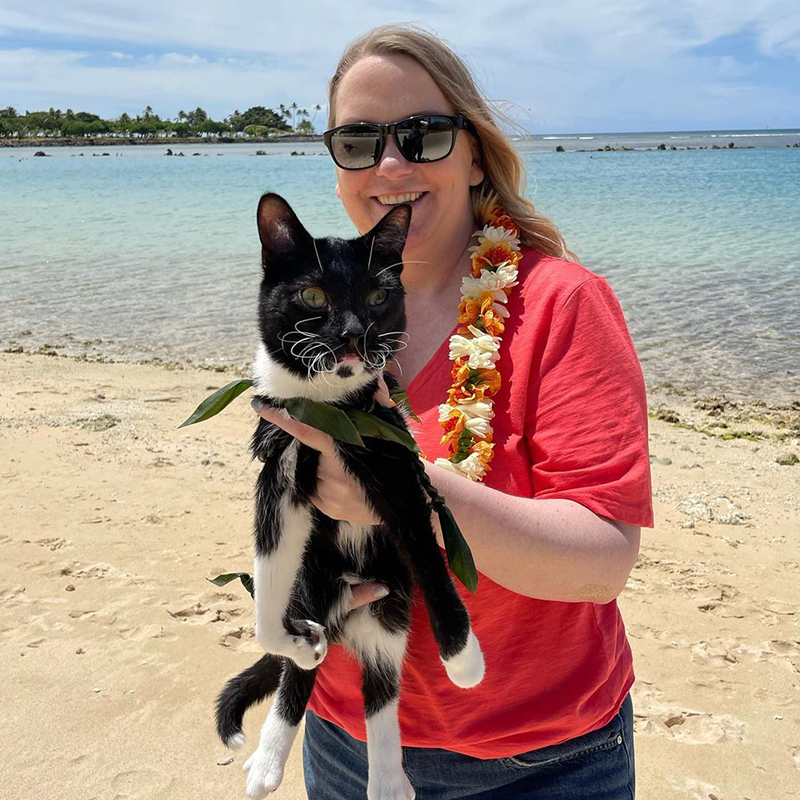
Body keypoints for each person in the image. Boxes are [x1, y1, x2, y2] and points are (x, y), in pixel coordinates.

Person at [253, 23, 652, 800]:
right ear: (337, 165)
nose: (392, 165)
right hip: (347, 736)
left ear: (474, 153)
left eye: (423, 134)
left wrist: (411, 496)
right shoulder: (307, 328)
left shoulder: (562, 305)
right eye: (360, 141)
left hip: (541, 758)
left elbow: (603, 563)